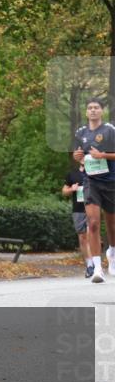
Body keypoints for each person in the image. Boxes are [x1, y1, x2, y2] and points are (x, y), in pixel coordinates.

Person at [73, 98, 115, 283]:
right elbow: (79, 155)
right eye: (90, 108)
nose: (93, 111)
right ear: (86, 111)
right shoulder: (80, 132)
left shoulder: (109, 130)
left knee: (112, 226)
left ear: (102, 111)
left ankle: (112, 252)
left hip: (111, 182)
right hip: (91, 182)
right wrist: (77, 156)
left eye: (96, 108)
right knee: (93, 223)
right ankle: (97, 268)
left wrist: (103, 155)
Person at [62, 162, 92, 278]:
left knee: (90, 235)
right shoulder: (72, 174)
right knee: (82, 237)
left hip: (92, 207)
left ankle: (94, 264)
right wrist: (71, 189)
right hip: (78, 210)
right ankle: (89, 265)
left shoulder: (95, 172)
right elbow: (64, 191)